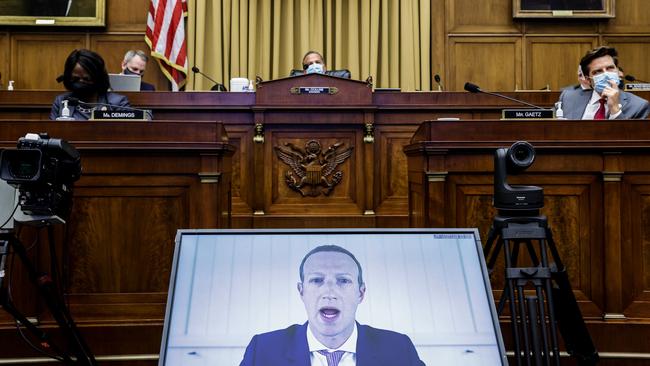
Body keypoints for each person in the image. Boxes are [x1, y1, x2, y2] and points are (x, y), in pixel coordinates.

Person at [240, 245, 424, 366]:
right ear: (301, 291)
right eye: (317, 280)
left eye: (343, 280)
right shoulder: (262, 350)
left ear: (361, 293)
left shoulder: (399, 349)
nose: (329, 292)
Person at [556, 46, 649, 120]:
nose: (606, 74)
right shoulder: (568, 98)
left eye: (610, 68)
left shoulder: (639, 105)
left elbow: (632, 141)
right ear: (588, 80)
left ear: (618, 72)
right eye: (598, 71)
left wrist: (615, 109)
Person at [50, 49, 130, 120]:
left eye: (86, 79)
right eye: (76, 79)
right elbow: (52, 133)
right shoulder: (61, 102)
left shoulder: (118, 103)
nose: (81, 82)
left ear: (98, 78)